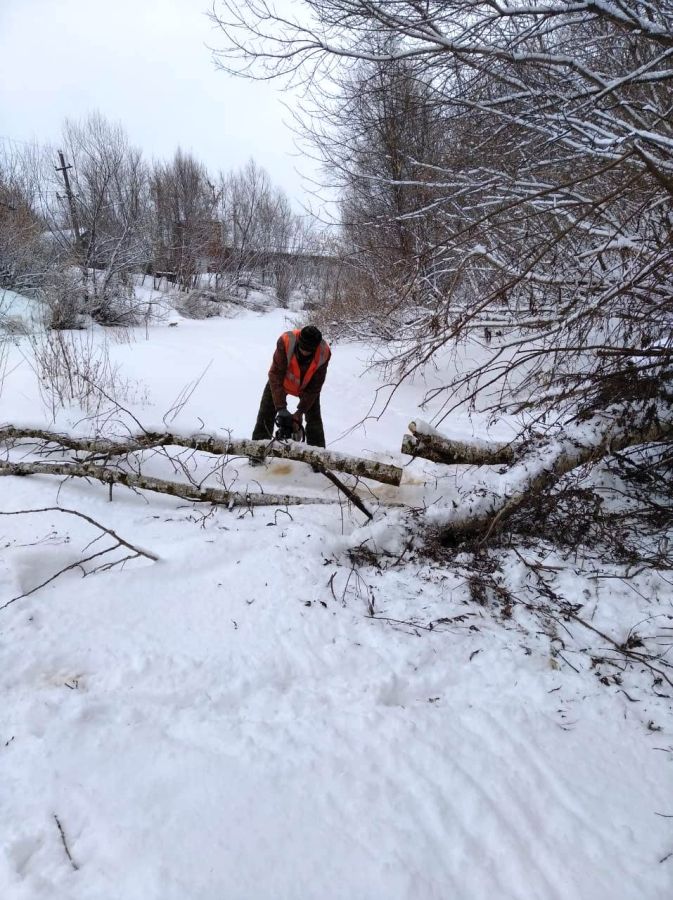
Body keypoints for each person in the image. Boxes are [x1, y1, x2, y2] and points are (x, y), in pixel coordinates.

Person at [252, 325, 331, 452]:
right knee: (265, 414)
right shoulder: (286, 341)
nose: (305, 352)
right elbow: (275, 374)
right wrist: (281, 408)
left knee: (314, 421)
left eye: (309, 351)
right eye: (303, 349)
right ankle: (256, 452)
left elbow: (315, 387)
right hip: (280, 382)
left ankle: (318, 458)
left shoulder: (324, 352)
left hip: (307, 386)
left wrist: (300, 412)